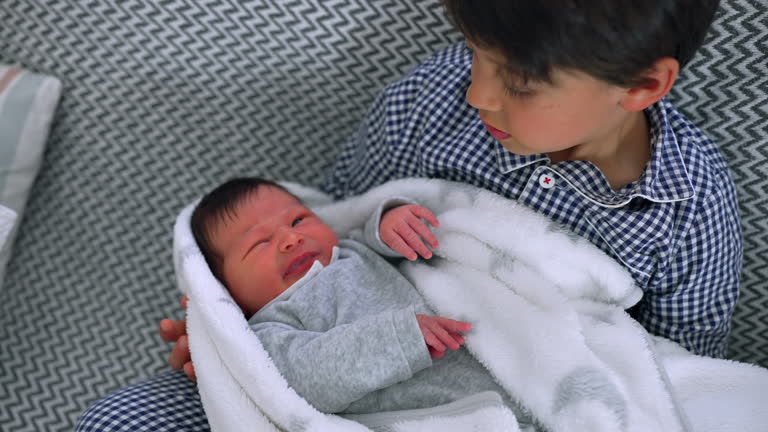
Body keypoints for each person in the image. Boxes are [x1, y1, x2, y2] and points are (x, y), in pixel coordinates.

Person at [77, 0, 742, 430]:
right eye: (475, 52)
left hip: (545, 389)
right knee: (119, 419)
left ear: (643, 86)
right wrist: (232, 330)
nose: (478, 93)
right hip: (349, 373)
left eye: (518, 82)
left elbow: (673, 365)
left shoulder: (685, 206)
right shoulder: (433, 98)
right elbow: (333, 224)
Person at [187, 176, 532, 421]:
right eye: (259, 243)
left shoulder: (350, 249)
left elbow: (381, 237)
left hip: (503, 382)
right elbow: (309, 378)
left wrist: (391, 222)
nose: (291, 238)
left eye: (299, 220)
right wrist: (395, 339)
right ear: (224, 289)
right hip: (429, 417)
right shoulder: (269, 328)